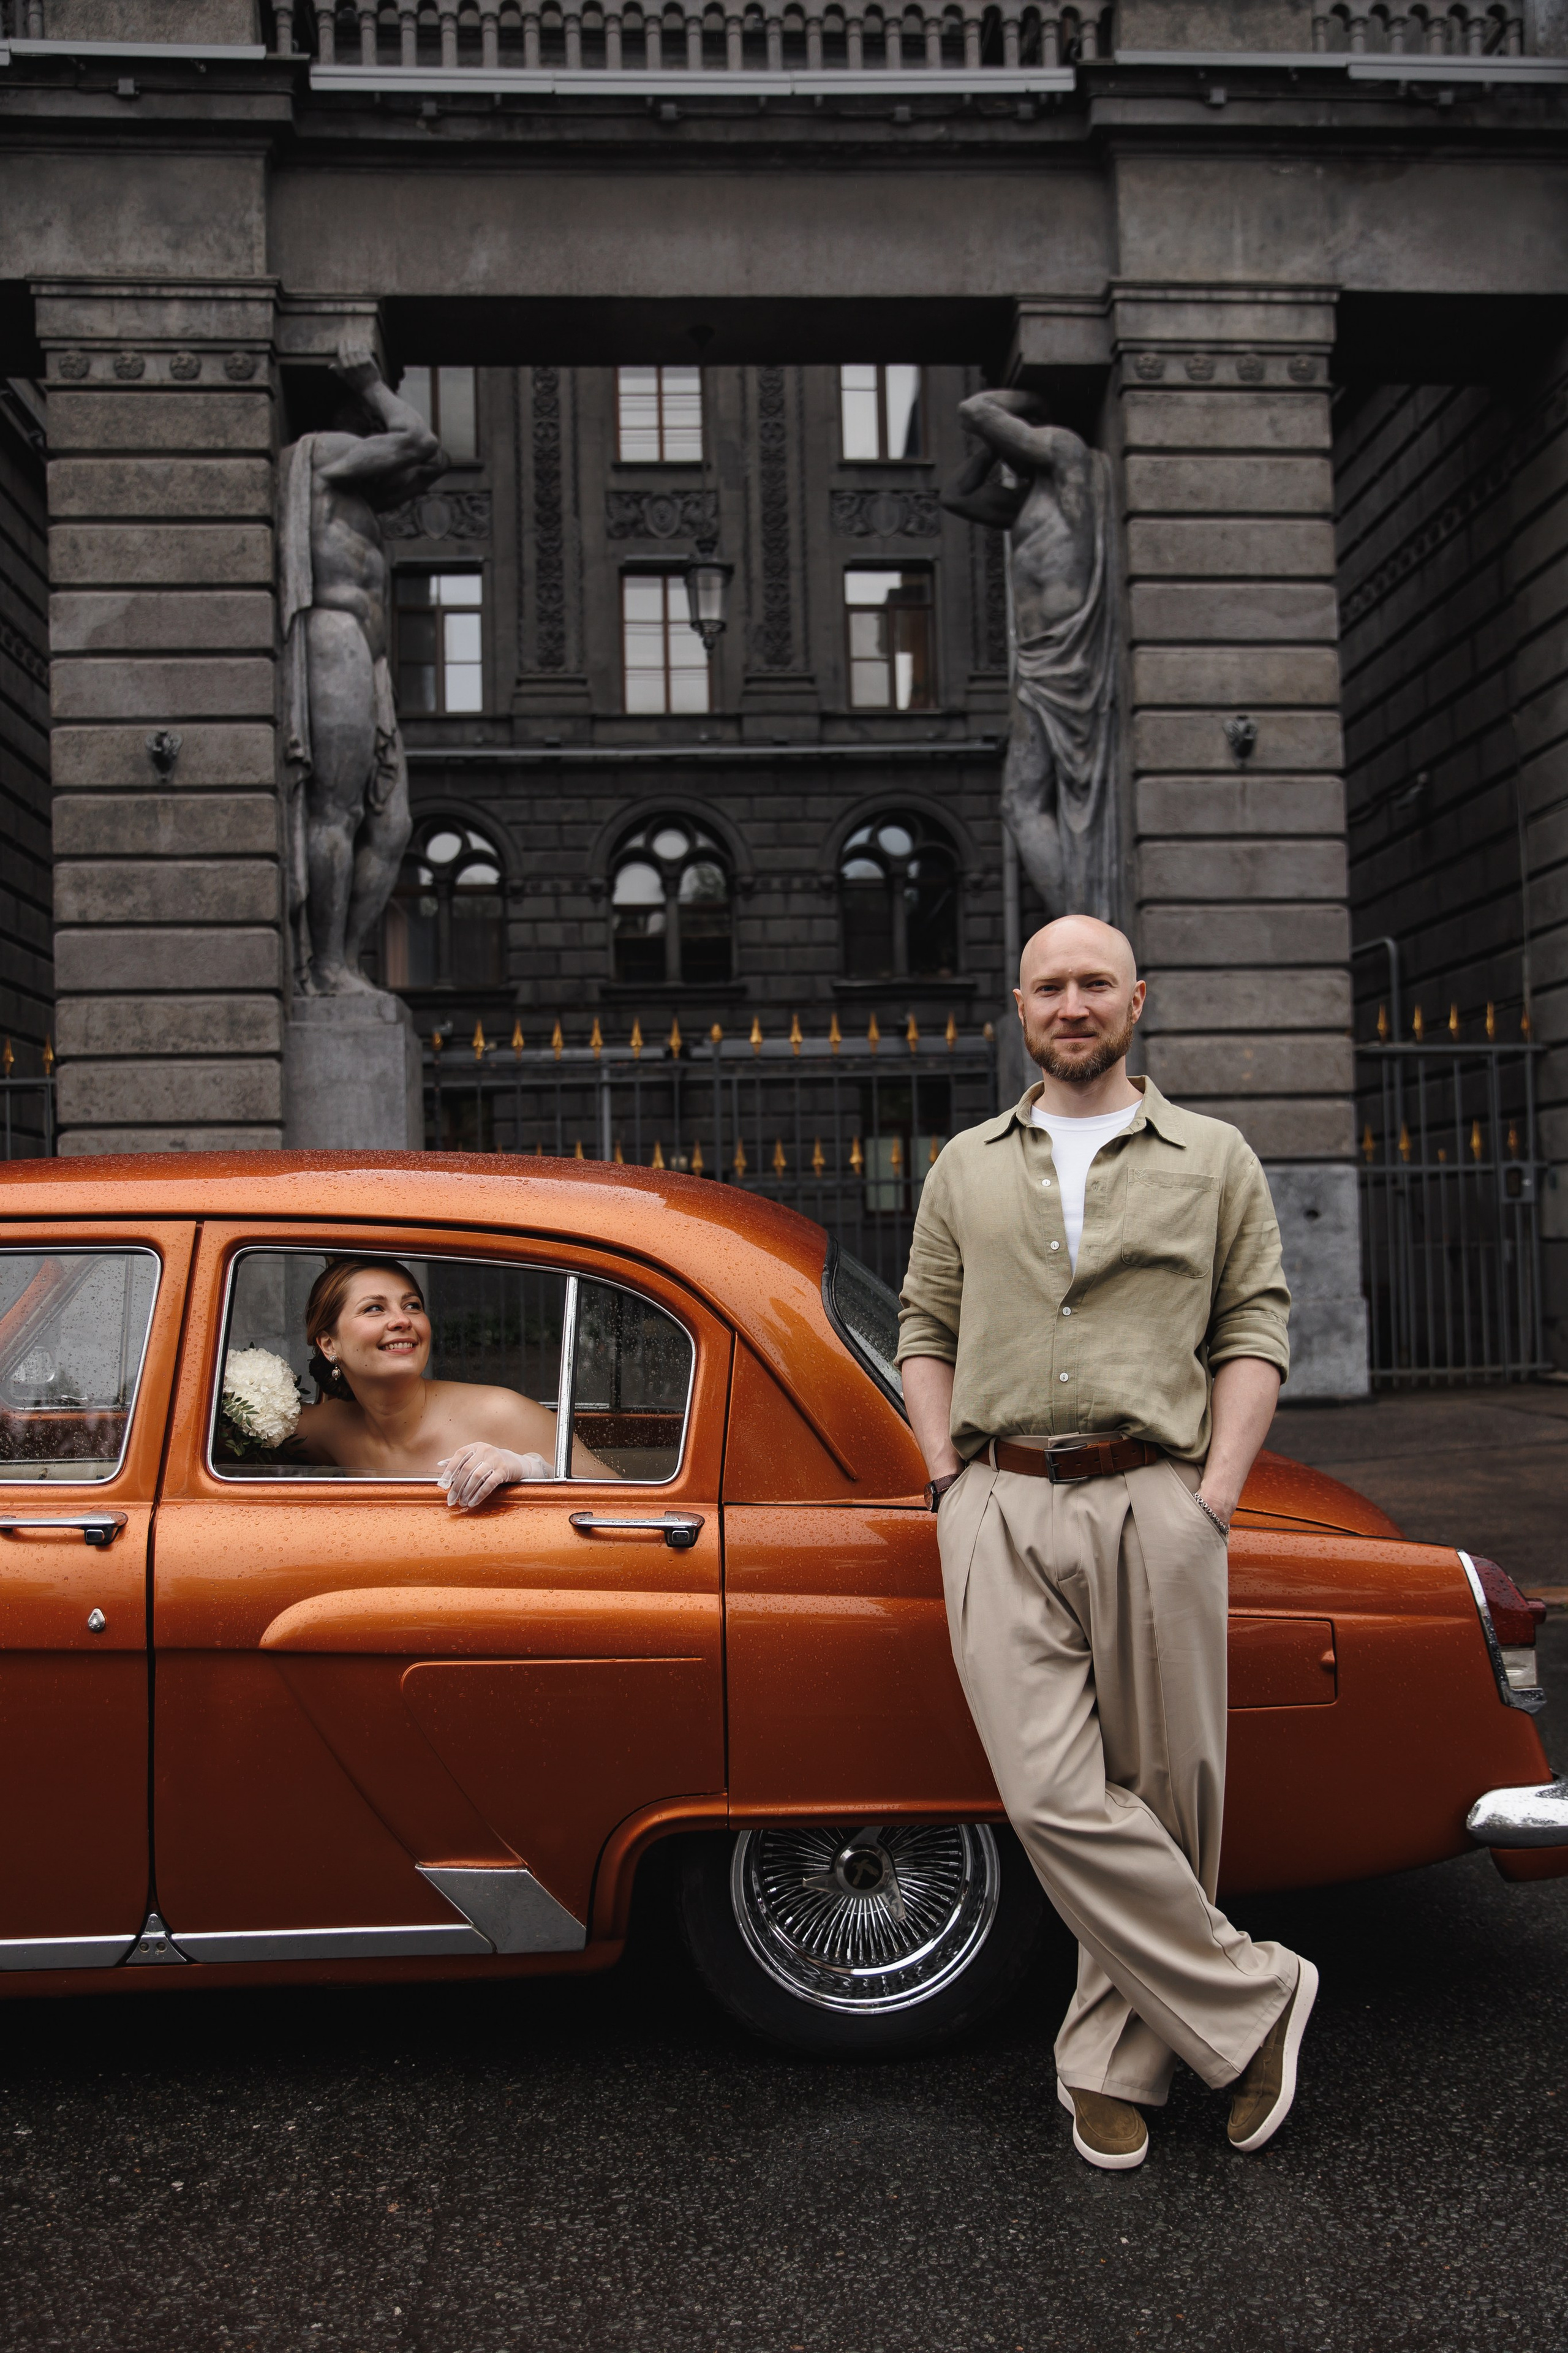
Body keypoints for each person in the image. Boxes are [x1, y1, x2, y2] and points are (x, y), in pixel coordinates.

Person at [897, 914, 1314, 2171]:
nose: (1070, 1005)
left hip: (1158, 1496)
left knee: (1166, 1794)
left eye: (1093, 984)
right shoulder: (963, 1164)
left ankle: (1106, 2061)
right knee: (1051, 1793)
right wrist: (942, 1481)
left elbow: (1252, 1325)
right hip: (997, 1497)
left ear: (1135, 1002)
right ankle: (1250, 2001)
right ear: (1017, 1011)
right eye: (1047, 988)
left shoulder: (1214, 1152)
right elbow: (924, 1320)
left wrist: (1216, 1493)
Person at [279, 338, 447, 997]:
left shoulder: (360, 497)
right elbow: (418, 437)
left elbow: (434, 459)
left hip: (369, 660)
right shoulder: (319, 455)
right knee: (337, 810)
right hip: (333, 636)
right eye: (372, 412)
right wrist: (374, 382)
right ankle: (326, 967)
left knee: (392, 823)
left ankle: (345, 958)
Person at [293, 1257, 611, 1505]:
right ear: (329, 1345)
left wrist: (530, 1470)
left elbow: (619, 1502)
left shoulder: (501, 1411)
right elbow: (250, 1436)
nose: (403, 1320)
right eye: (374, 1308)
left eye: (412, 1306)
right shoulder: (327, 1430)